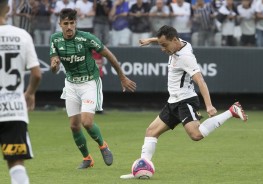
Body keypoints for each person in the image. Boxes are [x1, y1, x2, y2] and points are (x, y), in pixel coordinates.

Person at [120, 25, 247, 179]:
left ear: (174, 41)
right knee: (151, 131)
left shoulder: (186, 57)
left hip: (185, 101)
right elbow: (168, 38)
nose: (162, 49)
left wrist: (209, 105)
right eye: (161, 45)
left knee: (196, 135)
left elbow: (200, 80)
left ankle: (231, 111)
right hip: (173, 101)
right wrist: (151, 40)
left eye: (164, 45)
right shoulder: (177, 42)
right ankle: (142, 169)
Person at [50, 8, 136, 169]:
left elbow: (109, 56)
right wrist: (54, 66)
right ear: (60, 24)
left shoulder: (86, 38)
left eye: (72, 23)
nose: (69, 27)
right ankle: (88, 159)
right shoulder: (55, 39)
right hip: (71, 84)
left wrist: (122, 77)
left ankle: (103, 145)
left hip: (89, 82)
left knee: (87, 122)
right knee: (74, 126)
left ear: (76, 23)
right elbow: (53, 66)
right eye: (65, 23)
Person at [0, 0, 42, 183]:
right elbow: (36, 74)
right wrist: (30, 93)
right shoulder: (21, 35)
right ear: (8, 9)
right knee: (16, 163)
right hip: (13, 110)